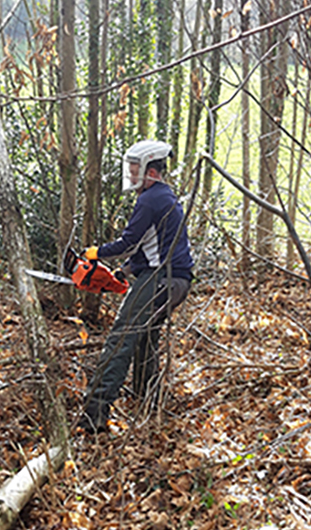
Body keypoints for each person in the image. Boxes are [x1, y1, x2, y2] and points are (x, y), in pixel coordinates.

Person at [78, 140, 194, 434]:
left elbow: (128, 242)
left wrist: (96, 253)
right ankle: (147, 403)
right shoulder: (165, 197)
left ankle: (93, 414)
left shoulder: (150, 199)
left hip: (161, 279)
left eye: (134, 169)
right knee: (143, 339)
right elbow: (147, 248)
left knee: (120, 340)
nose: (130, 175)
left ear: (150, 171)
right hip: (176, 281)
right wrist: (122, 272)